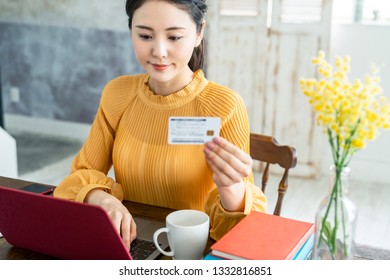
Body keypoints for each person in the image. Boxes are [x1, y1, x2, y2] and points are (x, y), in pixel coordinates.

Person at [53, 0, 267, 250]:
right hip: (132, 243)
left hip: (193, 251)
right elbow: (78, 176)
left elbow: (247, 230)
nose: (159, 51)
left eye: (174, 37)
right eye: (144, 35)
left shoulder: (224, 105)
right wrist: (102, 199)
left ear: (199, 33)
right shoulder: (117, 94)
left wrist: (233, 192)